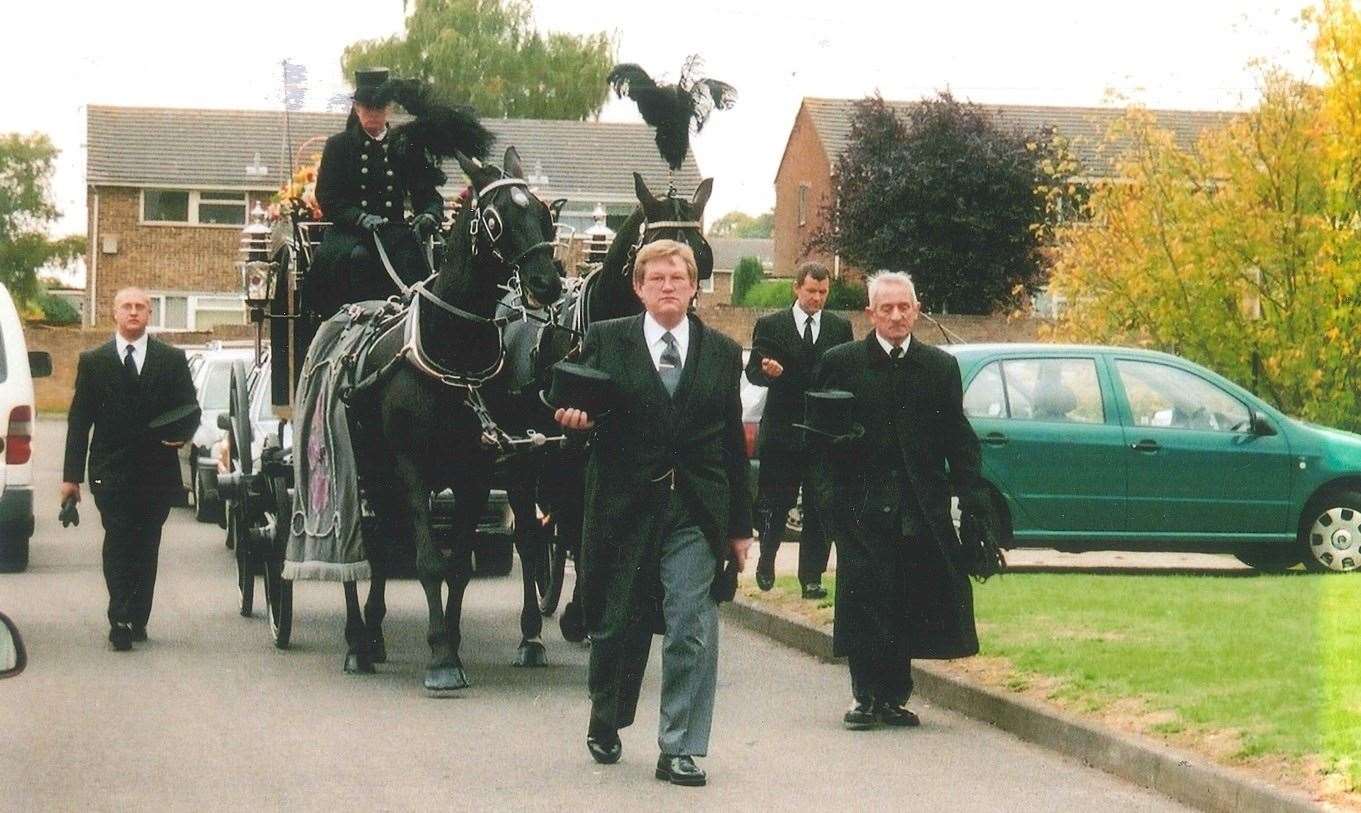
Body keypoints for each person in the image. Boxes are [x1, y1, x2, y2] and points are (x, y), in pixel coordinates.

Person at [555, 239, 753, 788]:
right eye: (657, 278)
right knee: (617, 624)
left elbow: (732, 444)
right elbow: (571, 403)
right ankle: (607, 712)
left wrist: (740, 526)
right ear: (639, 288)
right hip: (623, 507)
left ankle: (680, 749)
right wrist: (574, 418)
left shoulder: (720, 351)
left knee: (691, 624)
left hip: (694, 511)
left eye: (678, 278)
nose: (668, 286)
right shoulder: (605, 341)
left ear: (695, 287)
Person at [811, 271, 986, 729]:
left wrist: (972, 497)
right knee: (865, 597)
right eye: (885, 308)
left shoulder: (939, 367)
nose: (895, 316)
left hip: (918, 506)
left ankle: (893, 696)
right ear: (870, 313)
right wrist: (830, 504)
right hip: (859, 506)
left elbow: (958, 438)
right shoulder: (841, 362)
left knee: (908, 596)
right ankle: (865, 697)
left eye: (903, 307)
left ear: (916, 308)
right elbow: (819, 441)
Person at [62, 287, 197, 651]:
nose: (133, 312)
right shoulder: (94, 361)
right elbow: (79, 421)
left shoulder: (171, 359)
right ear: (115, 314)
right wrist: (70, 478)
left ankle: (138, 615)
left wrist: (182, 435)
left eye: (140, 307)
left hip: (156, 471)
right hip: (111, 471)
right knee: (119, 539)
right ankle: (118, 614)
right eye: (127, 306)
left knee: (146, 544)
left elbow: (189, 407)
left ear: (149, 315)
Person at [745, 261, 853, 598]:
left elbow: (845, 377)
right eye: (811, 291)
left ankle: (812, 578)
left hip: (822, 434)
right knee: (777, 504)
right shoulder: (771, 325)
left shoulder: (839, 327)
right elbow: (753, 371)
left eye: (823, 292)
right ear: (796, 288)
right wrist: (767, 371)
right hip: (783, 430)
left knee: (821, 507)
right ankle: (766, 561)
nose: (817, 298)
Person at [308, 67, 444, 316]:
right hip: (349, 234)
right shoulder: (339, 146)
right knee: (357, 260)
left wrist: (430, 215)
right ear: (357, 109)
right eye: (367, 108)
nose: (373, 114)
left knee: (422, 267)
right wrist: (360, 217)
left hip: (394, 233)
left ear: (388, 109)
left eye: (378, 107)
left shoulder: (404, 145)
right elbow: (328, 196)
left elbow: (427, 194)